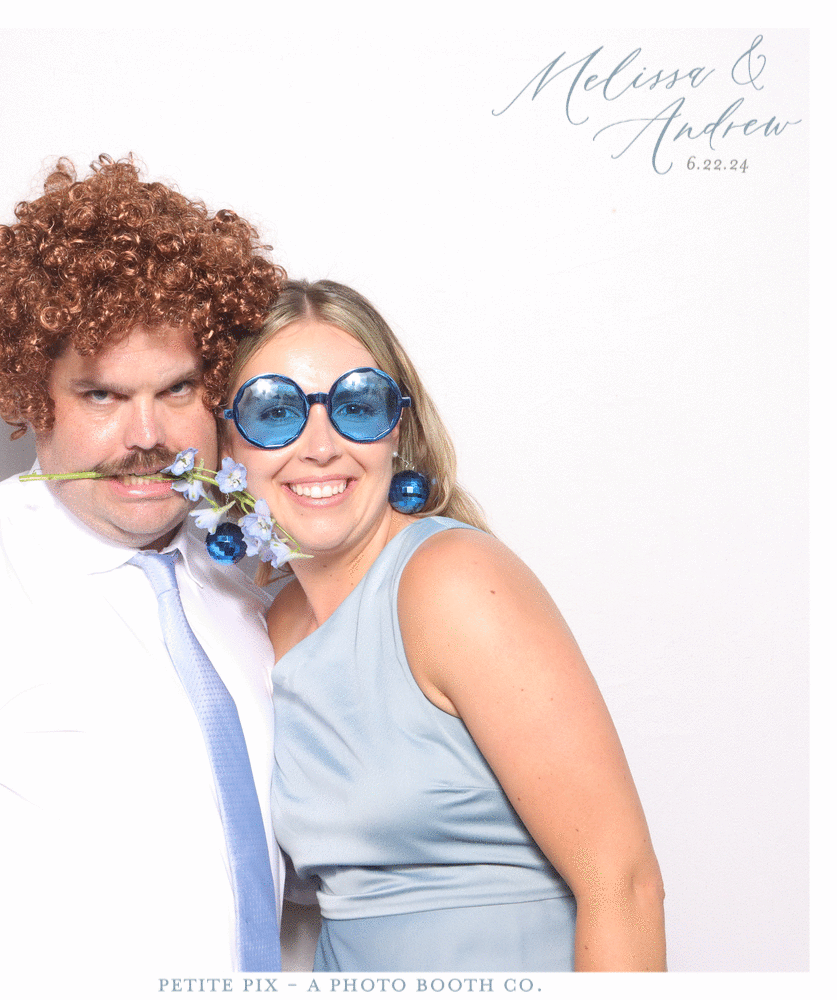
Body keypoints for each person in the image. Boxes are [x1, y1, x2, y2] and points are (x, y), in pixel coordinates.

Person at [0, 155, 287, 991]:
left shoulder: (247, 586)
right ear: (34, 396)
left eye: (178, 390)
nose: (146, 436)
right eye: (101, 396)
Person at [221, 279, 667, 972]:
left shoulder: (450, 582)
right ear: (226, 442)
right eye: (274, 411)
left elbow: (623, 885)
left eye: (357, 406)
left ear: (396, 428)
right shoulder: (267, 624)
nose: (320, 446)